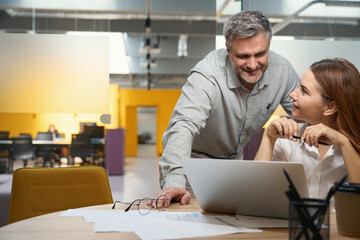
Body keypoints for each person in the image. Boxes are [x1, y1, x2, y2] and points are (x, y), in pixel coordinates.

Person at [154, 10, 300, 207]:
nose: (252, 64)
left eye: (260, 54)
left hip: (235, 164)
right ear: (229, 50)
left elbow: (306, 114)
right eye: (243, 56)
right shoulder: (207, 74)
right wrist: (174, 182)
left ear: (269, 46)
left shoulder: (283, 71)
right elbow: (183, 126)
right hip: (193, 164)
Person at [254, 58, 360, 199]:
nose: (292, 94)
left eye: (304, 91)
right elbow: (254, 193)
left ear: (330, 107)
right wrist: (268, 138)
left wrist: (344, 143)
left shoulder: (352, 147)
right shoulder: (287, 140)